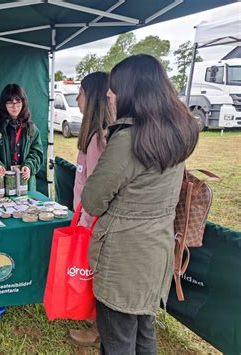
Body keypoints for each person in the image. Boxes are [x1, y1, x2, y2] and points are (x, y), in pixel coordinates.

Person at [81, 54, 199, 354]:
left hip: (123, 257)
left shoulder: (128, 139)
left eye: (112, 94)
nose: (109, 100)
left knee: (117, 339)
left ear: (130, 92)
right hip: (156, 251)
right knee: (144, 331)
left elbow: (93, 201)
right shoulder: (178, 131)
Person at [69, 72, 113, 347]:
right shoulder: (93, 135)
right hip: (88, 220)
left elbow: (97, 186)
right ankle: (94, 322)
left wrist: (85, 221)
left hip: (93, 223)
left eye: (81, 92)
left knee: (96, 274)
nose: (77, 98)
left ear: (93, 96)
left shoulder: (99, 138)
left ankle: (98, 331)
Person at [0, 84, 43, 191]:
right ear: (4, 104)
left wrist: (29, 166)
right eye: (10, 102)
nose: (14, 106)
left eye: (18, 101)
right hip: (0, 184)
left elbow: (37, 152)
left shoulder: (31, 128)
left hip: (25, 184)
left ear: (23, 102)